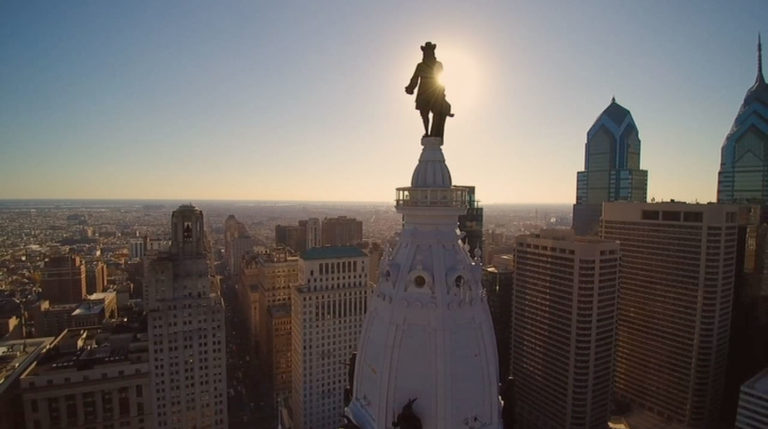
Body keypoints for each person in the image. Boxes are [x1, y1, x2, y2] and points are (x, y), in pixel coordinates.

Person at [405, 42, 454, 137]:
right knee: (424, 113)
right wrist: (410, 88)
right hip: (423, 91)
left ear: (432, 52)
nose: (427, 53)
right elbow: (415, 78)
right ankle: (427, 132)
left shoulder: (439, 64)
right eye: (425, 52)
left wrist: (441, 91)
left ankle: (434, 132)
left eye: (429, 51)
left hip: (435, 90)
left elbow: (442, 78)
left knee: (437, 111)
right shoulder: (420, 66)